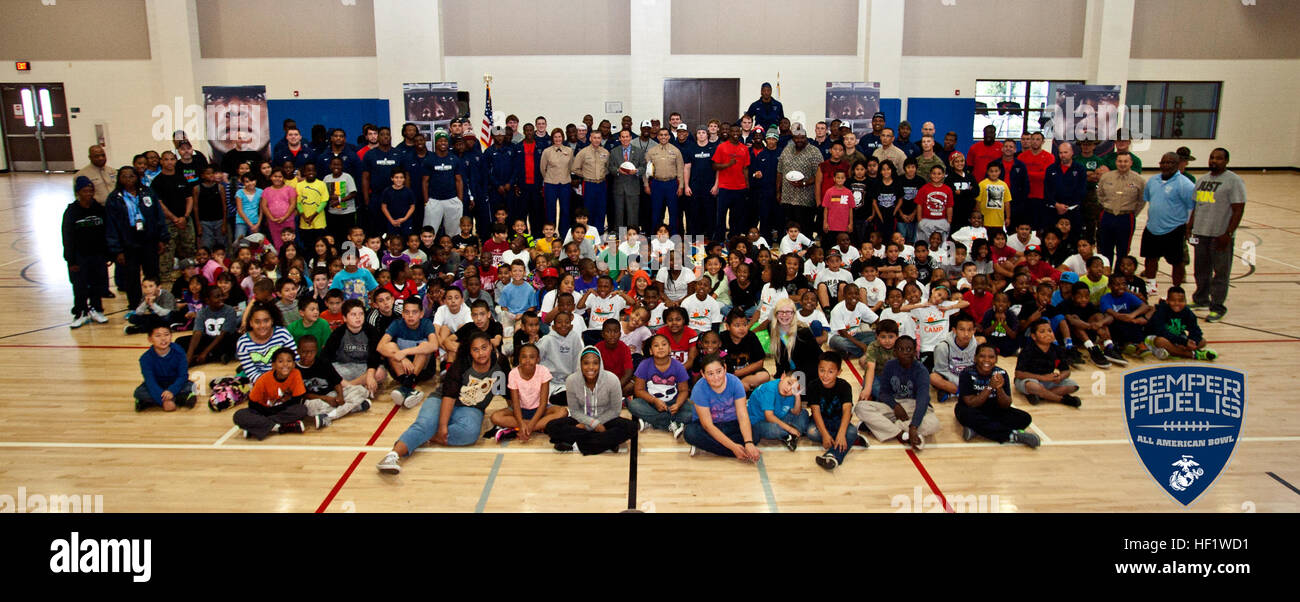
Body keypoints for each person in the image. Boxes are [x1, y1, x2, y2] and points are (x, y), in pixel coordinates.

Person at [377, 331, 505, 473]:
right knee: (424, 424)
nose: (481, 353)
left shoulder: (501, 362)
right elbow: (449, 396)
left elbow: (510, 389)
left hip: (471, 408)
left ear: (491, 347)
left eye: (484, 348)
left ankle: (426, 434)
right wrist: (443, 426)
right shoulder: (462, 363)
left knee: (470, 433)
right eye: (475, 350)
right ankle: (392, 455)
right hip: (442, 399)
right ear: (469, 352)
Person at [1188, 148, 1245, 322]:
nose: (1214, 161)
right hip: (1201, 232)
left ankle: (1218, 306)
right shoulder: (1203, 180)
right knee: (1201, 270)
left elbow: (1238, 209)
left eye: (1219, 158)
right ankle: (1201, 299)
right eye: (1212, 157)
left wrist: (1228, 233)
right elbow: (1197, 206)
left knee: (1220, 272)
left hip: (1220, 234)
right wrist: (1190, 227)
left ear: (1226, 161)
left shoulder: (1233, 181)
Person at [854, 336, 937, 450]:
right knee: (860, 407)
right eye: (901, 349)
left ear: (915, 351)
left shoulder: (921, 370)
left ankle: (883, 426)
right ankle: (901, 434)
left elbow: (923, 400)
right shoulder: (890, 366)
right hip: (894, 405)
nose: (905, 353)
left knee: (934, 424)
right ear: (895, 352)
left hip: (914, 406)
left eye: (909, 349)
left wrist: (914, 426)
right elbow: (883, 393)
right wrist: (895, 405)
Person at [106, 166, 168, 309]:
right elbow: (111, 225)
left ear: (137, 177)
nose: (128, 180)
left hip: (148, 238)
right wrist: (117, 250)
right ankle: (134, 305)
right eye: (124, 177)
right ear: (119, 179)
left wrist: (162, 238)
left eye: (131, 176)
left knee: (152, 273)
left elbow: (158, 215)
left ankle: (155, 303)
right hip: (128, 240)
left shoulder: (147, 192)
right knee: (131, 276)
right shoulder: (114, 198)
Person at [235, 348, 329, 440]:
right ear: (273, 365)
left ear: (293, 364)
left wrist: (276, 411)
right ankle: (280, 427)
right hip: (263, 411)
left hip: (281, 411)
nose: (285, 364)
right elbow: (252, 404)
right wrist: (268, 411)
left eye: (289, 361)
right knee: (239, 415)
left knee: (301, 409)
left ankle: (257, 427)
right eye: (280, 361)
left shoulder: (296, 374)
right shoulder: (263, 379)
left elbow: (297, 399)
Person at [956, 343, 1040, 447]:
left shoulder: (1002, 373)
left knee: (1025, 418)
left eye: (991, 357)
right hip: (971, 409)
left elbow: (1006, 404)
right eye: (982, 356)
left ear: (996, 360)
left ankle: (978, 430)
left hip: (993, 408)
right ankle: (1012, 436)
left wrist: (999, 388)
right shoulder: (966, 373)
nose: (986, 360)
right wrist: (990, 387)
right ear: (975, 358)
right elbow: (971, 403)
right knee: (968, 416)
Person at [1137, 152, 1196, 298]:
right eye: (1163, 162)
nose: (1166, 165)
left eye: (1170, 163)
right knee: (1150, 258)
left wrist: (1188, 228)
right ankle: (1151, 285)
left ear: (1177, 165)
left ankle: (1176, 288)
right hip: (1152, 227)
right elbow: (1150, 200)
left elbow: (1192, 207)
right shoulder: (1152, 181)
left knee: (1177, 261)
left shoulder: (1185, 184)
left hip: (1174, 229)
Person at [683, 354, 761, 462]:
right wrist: (733, 447)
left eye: (719, 371)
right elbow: (708, 425)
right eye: (710, 374)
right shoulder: (699, 389)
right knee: (690, 433)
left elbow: (742, 415)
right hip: (710, 426)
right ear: (703, 374)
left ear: (725, 368)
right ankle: (737, 450)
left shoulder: (735, 383)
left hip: (732, 423)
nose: (716, 377)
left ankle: (710, 446)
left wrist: (749, 443)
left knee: (755, 434)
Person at [487, 343, 566, 443]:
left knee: (563, 412)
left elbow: (543, 404)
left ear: (538, 359)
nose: (527, 360)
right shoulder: (513, 374)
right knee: (495, 417)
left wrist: (530, 425)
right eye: (524, 357)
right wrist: (521, 422)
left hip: (540, 410)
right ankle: (539, 426)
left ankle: (522, 428)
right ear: (519, 359)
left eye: (532, 357)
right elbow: (515, 404)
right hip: (520, 410)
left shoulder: (543, 371)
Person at [63, 176, 110, 327]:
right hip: (79, 256)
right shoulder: (71, 212)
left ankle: (97, 309)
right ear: (78, 192)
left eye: (91, 191)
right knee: (80, 285)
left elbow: (106, 232)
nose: (88, 194)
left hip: (97, 254)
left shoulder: (99, 210)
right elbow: (67, 237)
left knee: (98, 284)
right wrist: (71, 260)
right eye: (85, 191)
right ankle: (80, 312)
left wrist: (108, 253)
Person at [379, 296, 439, 408]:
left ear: (421, 314)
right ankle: (408, 387)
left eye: (414, 312)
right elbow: (380, 347)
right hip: (401, 370)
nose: (410, 316)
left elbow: (434, 345)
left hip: (423, 371)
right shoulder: (397, 324)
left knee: (424, 346)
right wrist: (403, 358)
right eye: (407, 312)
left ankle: (406, 386)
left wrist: (405, 352)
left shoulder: (426, 324)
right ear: (402, 314)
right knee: (391, 346)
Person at [629, 334, 693, 438]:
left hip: (673, 403)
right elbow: (638, 390)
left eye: (664, 344)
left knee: (692, 411)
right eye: (656, 345)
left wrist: (677, 404)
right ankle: (673, 423)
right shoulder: (644, 364)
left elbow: (684, 390)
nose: (660, 347)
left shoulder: (678, 366)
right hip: (651, 402)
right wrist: (654, 401)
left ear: (670, 349)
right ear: (650, 351)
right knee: (634, 405)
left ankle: (652, 420)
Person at [298, 335, 372, 424]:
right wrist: (325, 398)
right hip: (316, 399)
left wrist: (340, 396)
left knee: (361, 390)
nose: (308, 355)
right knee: (310, 407)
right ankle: (353, 407)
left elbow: (336, 382)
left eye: (312, 352)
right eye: (304, 352)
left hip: (332, 394)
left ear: (316, 351)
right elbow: (304, 395)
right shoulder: (295, 370)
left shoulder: (323, 362)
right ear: (298, 351)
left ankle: (329, 416)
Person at [1014, 319, 1081, 406]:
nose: (1048, 334)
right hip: (1029, 379)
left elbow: (1066, 371)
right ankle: (1062, 399)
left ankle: (1039, 395)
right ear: (1034, 336)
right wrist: (1043, 378)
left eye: (1050, 331)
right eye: (1042, 332)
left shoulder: (1057, 349)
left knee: (1073, 386)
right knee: (1033, 386)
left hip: (1048, 380)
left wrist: (1060, 377)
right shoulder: (1028, 350)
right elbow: (1018, 374)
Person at [1095, 152, 1146, 265]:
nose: (1122, 164)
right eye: (1120, 161)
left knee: (1123, 249)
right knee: (1105, 248)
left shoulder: (1139, 180)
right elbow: (1100, 194)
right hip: (1108, 216)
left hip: (1126, 218)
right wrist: (1107, 205)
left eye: (1125, 161)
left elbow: (1141, 200)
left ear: (1131, 163)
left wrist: (1132, 213)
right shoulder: (1106, 177)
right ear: (1116, 162)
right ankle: (1106, 273)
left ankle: (1119, 275)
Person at [134, 323, 196, 412]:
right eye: (158, 336)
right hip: (157, 384)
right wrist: (164, 401)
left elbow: (183, 375)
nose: (163, 339)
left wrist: (171, 391)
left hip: (175, 382)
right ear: (150, 339)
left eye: (166, 335)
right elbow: (150, 381)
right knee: (139, 392)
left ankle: (150, 402)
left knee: (191, 386)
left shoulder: (179, 352)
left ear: (171, 336)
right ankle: (179, 400)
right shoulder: (145, 359)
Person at [1145, 286, 1217, 361]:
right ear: (1167, 301)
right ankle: (1192, 354)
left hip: (1178, 339)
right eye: (1173, 300)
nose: (1177, 303)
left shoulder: (1187, 312)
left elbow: (1196, 330)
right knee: (1160, 341)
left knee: (1202, 341)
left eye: (1180, 301)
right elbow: (1161, 332)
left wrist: (1192, 341)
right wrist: (1183, 342)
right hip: (1156, 338)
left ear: (1185, 301)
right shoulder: (1161, 311)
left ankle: (1175, 352)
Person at [236, 302, 298, 382]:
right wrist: (269, 384)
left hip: (285, 377)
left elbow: (295, 360)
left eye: (266, 321)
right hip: (259, 382)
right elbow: (251, 373)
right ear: (251, 323)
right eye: (257, 322)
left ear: (272, 320)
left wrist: (282, 381)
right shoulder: (243, 342)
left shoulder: (282, 334)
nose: (262, 325)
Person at [747, 373, 807, 450]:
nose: (788, 389)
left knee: (803, 413)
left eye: (793, 389)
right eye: (789, 383)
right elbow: (769, 417)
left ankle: (789, 435)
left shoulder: (791, 393)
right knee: (773, 429)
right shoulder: (770, 389)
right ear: (783, 377)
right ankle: (790, 433)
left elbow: (796, 412)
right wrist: (789, 429)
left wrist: (797, 395)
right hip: (760, 421)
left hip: (778, 416)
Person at [713, 124, 751, 242]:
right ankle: (719, 239)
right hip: (725, 188)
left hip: (740, 188)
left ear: (740, 133)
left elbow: (745, 168)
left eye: (737, 131)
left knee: (736, 217)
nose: (735, 133)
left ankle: (734, 239)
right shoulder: (721, 147)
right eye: (733, 131)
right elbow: (714, 166)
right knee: (721, 216)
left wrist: (747, 184)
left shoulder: (744, 148)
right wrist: (727, 165)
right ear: (729, 133)